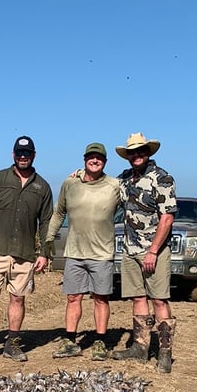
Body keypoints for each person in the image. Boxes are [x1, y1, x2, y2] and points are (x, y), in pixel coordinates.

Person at [0, 135, 53, 364]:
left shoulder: (42, 186)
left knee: (18, 298)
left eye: (27, 154)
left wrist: (44, 253)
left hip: (24, 253)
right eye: (19, 153)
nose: (23, 157)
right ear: (13, 155)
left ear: (33, 156)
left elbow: (46, 222)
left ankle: (12, 343)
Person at [45, 142, 121, 361]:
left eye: (98, 157)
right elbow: (59, 213)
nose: (94, 160)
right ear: (84, 160)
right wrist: (49, 237)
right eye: (90, 157)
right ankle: (70, 340)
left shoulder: (114, 185)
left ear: (105, 162)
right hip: (75, 252)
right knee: (73, 297)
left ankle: (100, 341)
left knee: (101, 298)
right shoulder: (70, 183)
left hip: (102, 253)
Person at [112, 132, 177, 373]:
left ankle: (164, 352)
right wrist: (81, 176)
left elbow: (167, 217)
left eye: (140, 151)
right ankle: (139, 347)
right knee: (138, 298)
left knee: (159, 299)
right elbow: (105, 188)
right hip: (130, 249)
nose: (136, 155)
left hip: (154, 251)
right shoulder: (125, 179)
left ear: (148, 153)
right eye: (132, 152)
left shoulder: (162, 178)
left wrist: (153, 251)